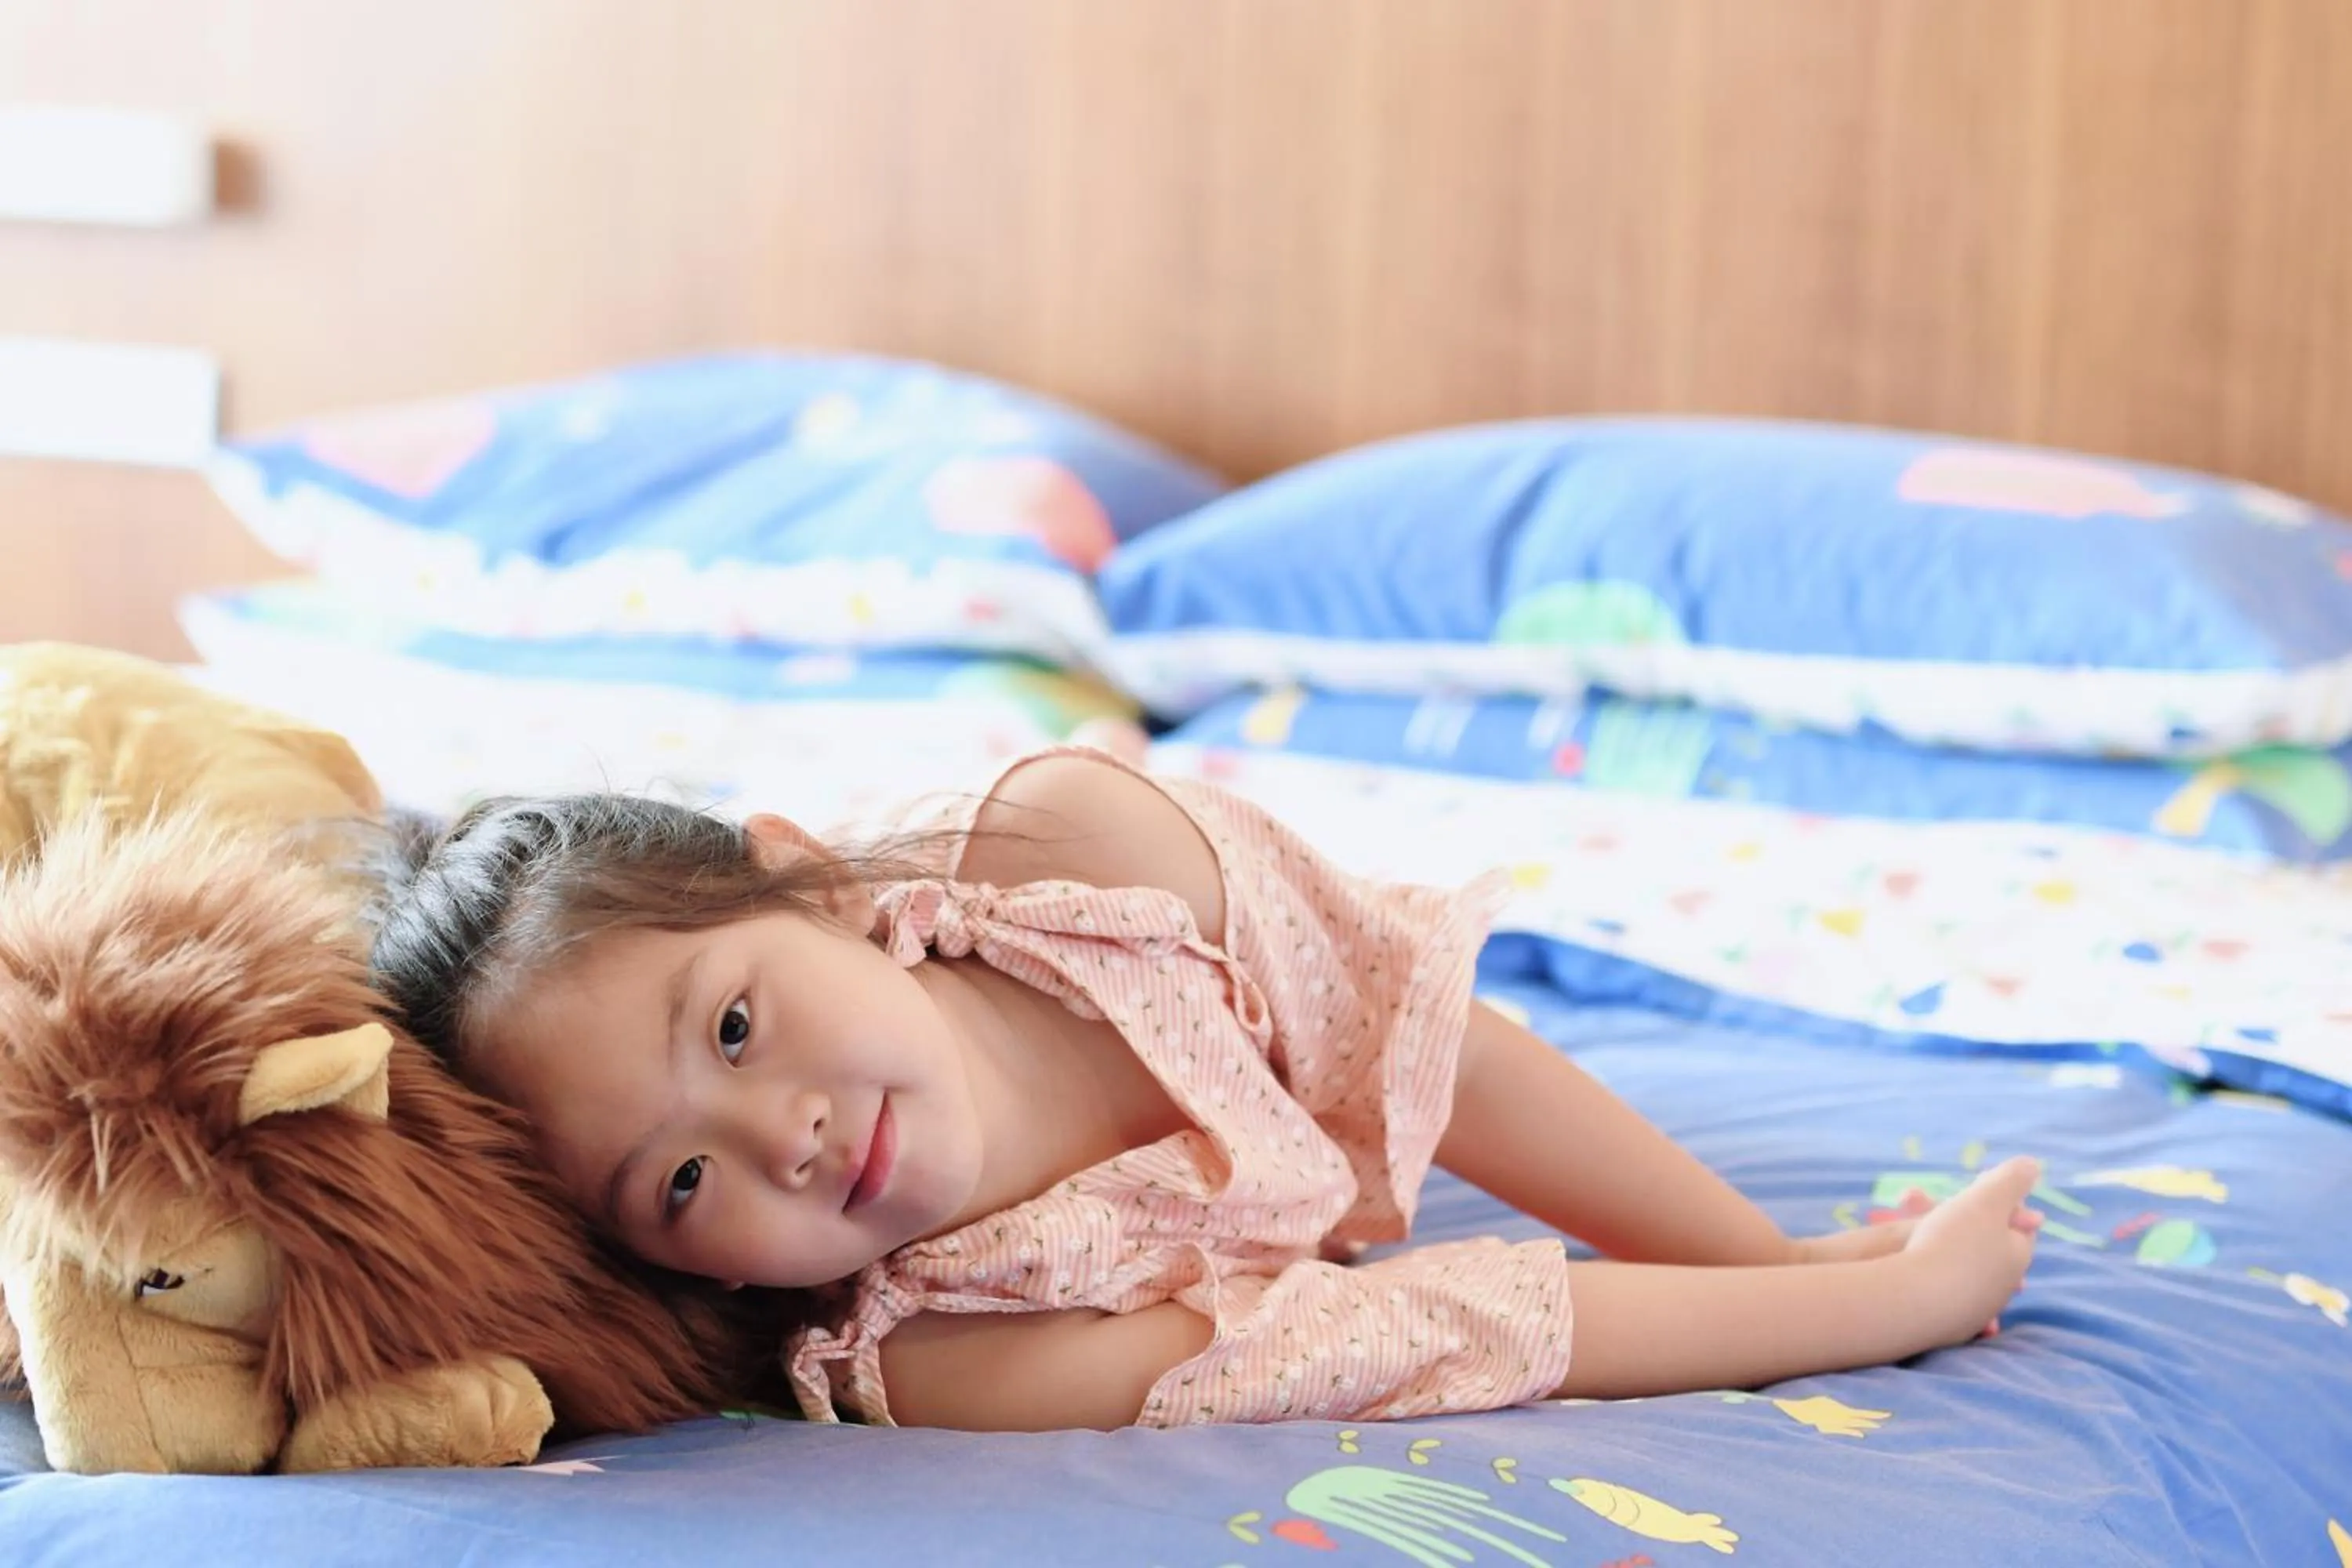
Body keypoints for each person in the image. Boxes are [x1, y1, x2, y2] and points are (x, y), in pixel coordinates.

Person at [371, 746, 2042, 1432]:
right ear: (700, 1269)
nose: (776, 1133)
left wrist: (1773, 1260)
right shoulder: (958, 1348)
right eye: (678, 1182)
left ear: (809, 883)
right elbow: (1461, 1324)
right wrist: (1878, 1311)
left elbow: (1431, 1052)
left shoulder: (1090, 864)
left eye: (732, 1028)